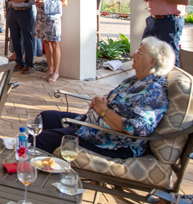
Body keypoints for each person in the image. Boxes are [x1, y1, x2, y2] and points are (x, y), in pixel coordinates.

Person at [34, 36, 174, 159]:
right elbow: (115, 101)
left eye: (139, 53)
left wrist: (103, 110)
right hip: (95, 126)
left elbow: (137, 128)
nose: (133, 55)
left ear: (152, 62)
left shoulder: (153, 92)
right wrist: (101, 102)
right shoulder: (135, 80)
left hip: (111, 142)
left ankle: (26, 174)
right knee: (45, 118)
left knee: (40, 139)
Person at [4, 0, 41, 74]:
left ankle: (29, 64)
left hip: (26, 11)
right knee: (15, 38)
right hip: (13, 11)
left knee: (28, 39)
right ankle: (19, 62)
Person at [35, 0, 68, 83]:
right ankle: (49, 68)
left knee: (54, 43)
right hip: (42, 16)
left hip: (53, 18)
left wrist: (46, 3)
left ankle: (56, 72)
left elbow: (64, 2)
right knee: (46, 43)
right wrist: (38, 1)